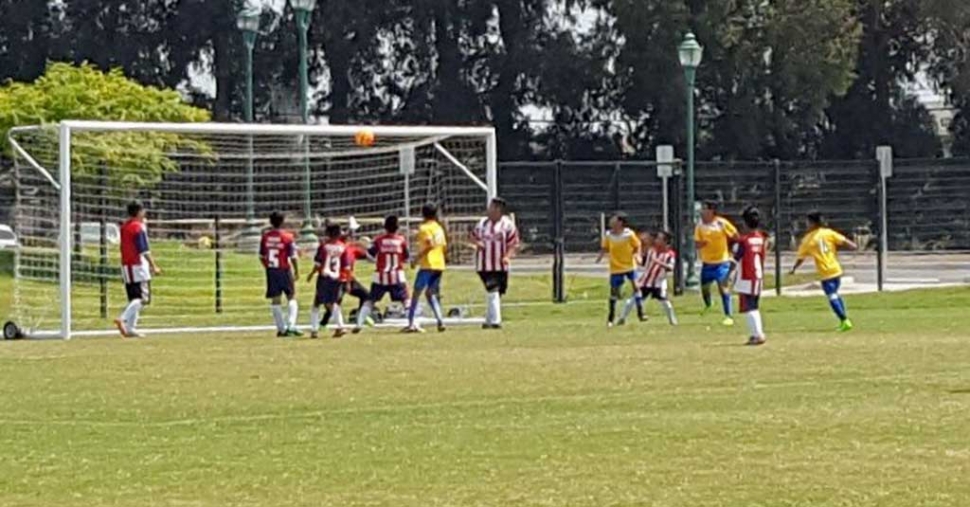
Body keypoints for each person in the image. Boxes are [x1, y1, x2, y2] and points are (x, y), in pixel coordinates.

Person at [791, 211, 858, 332]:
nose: (806, 224)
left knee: (831, 296)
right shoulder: (829, 233)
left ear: (812, 223)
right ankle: (844, 321)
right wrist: (853, 246)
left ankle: (844, 320)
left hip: (825, 272)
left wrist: (794, 268)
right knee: (835, 294)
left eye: (807, 222)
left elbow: (800, 258)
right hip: (836, 269)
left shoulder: (808, 239)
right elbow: (850, 244)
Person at [355, 215, 410, 333]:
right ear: (397, 227)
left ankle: (359, 323)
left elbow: (369, 255)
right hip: (397, 275)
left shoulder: (379, 240)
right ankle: (412, 323)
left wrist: (377, 260)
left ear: (385, 227)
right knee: (405, 299)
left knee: (370, 300)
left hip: (380, 276)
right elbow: (406, 257)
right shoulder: (401, 240)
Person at [471, 197, 520, 330]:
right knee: (492, 289)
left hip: (500, 265)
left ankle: (489, 319)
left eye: (491, 207)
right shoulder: (482, 223)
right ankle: (496, 321)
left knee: (496, 292)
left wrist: (507, 256)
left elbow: (513, 243)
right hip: (484, 264)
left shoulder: (507, 225)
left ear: (498, 210)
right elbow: (473, 236)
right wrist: (478, 243)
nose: (489, 210)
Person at [114, 201, 161, 338]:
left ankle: (130, 328)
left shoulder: (125, 227)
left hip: (126, 266)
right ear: (139, 212)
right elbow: (143, 250)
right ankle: (123, 319)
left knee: (134, 298)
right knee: (143, 298)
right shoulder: (138, 228)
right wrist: (154, 266)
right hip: (138, 266)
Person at [694, 200, 740, 326]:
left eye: (704, 209)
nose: (702, 212)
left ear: (711, 211)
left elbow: (736, 235)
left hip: (722, 262)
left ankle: (728, 316)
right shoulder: (700, 226)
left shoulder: (721, 223)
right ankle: (709, 304)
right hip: (707, 263)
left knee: (723, 288)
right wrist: (702, 244)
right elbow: (697, 243)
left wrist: (733, 248)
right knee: (704, 288)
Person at [405, 203, 447, 333]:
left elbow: (429, 245)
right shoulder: (439, 228)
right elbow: (444, 246)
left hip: (428, 264)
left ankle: (411, 322)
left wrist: (416, 259)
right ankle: (440, 320)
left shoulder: (424, 228)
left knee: (416, 293)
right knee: (430, 294)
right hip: (439, 264)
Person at [259, 211, 301, 337]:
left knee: (275, 299)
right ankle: (291, 326)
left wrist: (267, 267)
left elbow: (261, 256)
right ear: (282, 222)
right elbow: (293, 256)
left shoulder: (265, 237)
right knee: (291, 296)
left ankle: (281, 329)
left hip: (272, 270)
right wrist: (296, 271)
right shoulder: (287, 237)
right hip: (284, 269)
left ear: (270, 222)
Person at [308, 223, 353, 339]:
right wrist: (347, 282)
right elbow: (347, 267)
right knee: (332, 303)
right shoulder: (344, 247)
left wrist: (312, 274)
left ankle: (315, 329)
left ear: (327, 233)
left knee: (317, 303)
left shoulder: (323, 247)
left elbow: (318, 264)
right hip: (337, 278)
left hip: (324, 277)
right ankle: (340, 327)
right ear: (339, 234)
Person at [596, 212, 642, 328]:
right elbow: (605, 247)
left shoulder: (629, 234)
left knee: (636, 286)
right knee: (614, 292)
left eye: (614, 219)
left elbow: (637, 245)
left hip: (629, 265)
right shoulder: (608, 235)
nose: (611, 221)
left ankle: (640, 312)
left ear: (620, 222)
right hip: (616, 267)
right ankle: (611, 317)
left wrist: (637, 255)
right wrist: (600, 257)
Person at [624, 230, 678, 326]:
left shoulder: (669, 255)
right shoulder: (651, 251)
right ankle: (622, 318)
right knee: (632, 301)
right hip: (645, 282)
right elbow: (643, 263)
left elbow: (670, 267)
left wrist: (658, 262)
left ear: (665, 242)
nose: (656, 240)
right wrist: (636, 257)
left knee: (665, 302)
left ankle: (672, 320)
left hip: (658, 283)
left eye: (659, 239)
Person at [733, 206, 768, 345]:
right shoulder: (761, 238)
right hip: (758, 274)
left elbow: (736, 258)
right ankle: (756, 334)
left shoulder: (744, 241)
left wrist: (727, 276)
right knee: (753, 305)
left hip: (747, 275)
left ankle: (757, 335)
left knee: (749, 306)